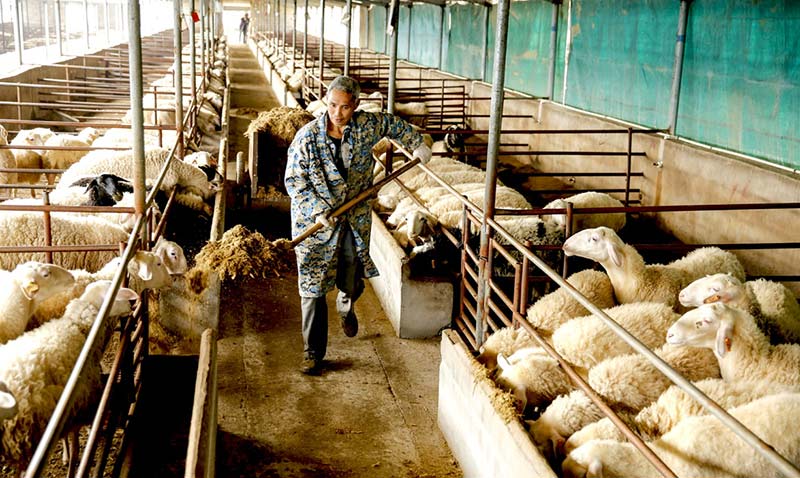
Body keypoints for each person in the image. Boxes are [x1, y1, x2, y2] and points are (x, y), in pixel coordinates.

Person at [285, 75, 432, 375]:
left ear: (356, 106)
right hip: (314, 221)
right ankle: (312, 351)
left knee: (352, 270)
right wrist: (316, 211)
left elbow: (394, 125)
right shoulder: (307, 138)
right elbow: (294, 181)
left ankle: (346, 303)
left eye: (345, 107)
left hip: (354, 216)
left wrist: (418, 143)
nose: (337, 113)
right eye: (332, 105)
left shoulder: (367, 126)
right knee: (312, 287)